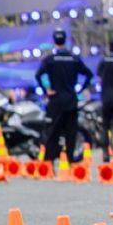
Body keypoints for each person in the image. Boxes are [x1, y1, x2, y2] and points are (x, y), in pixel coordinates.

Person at [35, 28, 93, 163]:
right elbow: (89, 74)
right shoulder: (74, 59)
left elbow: (38, 75)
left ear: (54, 41)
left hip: (55, 100)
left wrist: (46, 90)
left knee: (52, 132)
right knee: (70, 133)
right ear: (66, 40)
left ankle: (49, 162)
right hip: (71, 100)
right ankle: (69, 161)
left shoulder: (50, 60)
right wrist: (80, 90)